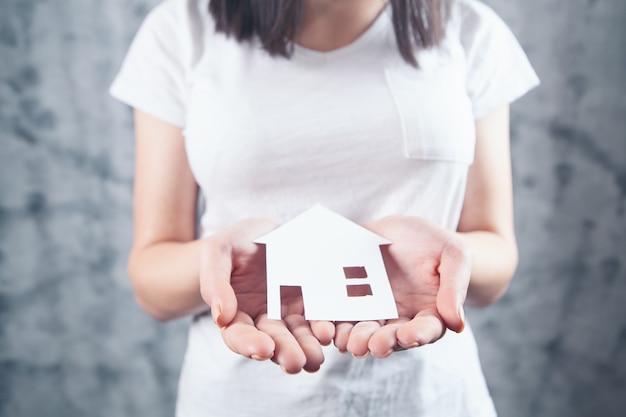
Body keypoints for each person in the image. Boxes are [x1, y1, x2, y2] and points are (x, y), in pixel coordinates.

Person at [110, 0, 539, 415]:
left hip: (431, 398)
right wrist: (222, 262)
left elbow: (495, 257)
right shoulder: (181, 29)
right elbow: (153, 279)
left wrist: (448, 257)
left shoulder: (467, 27)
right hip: (242, 399)